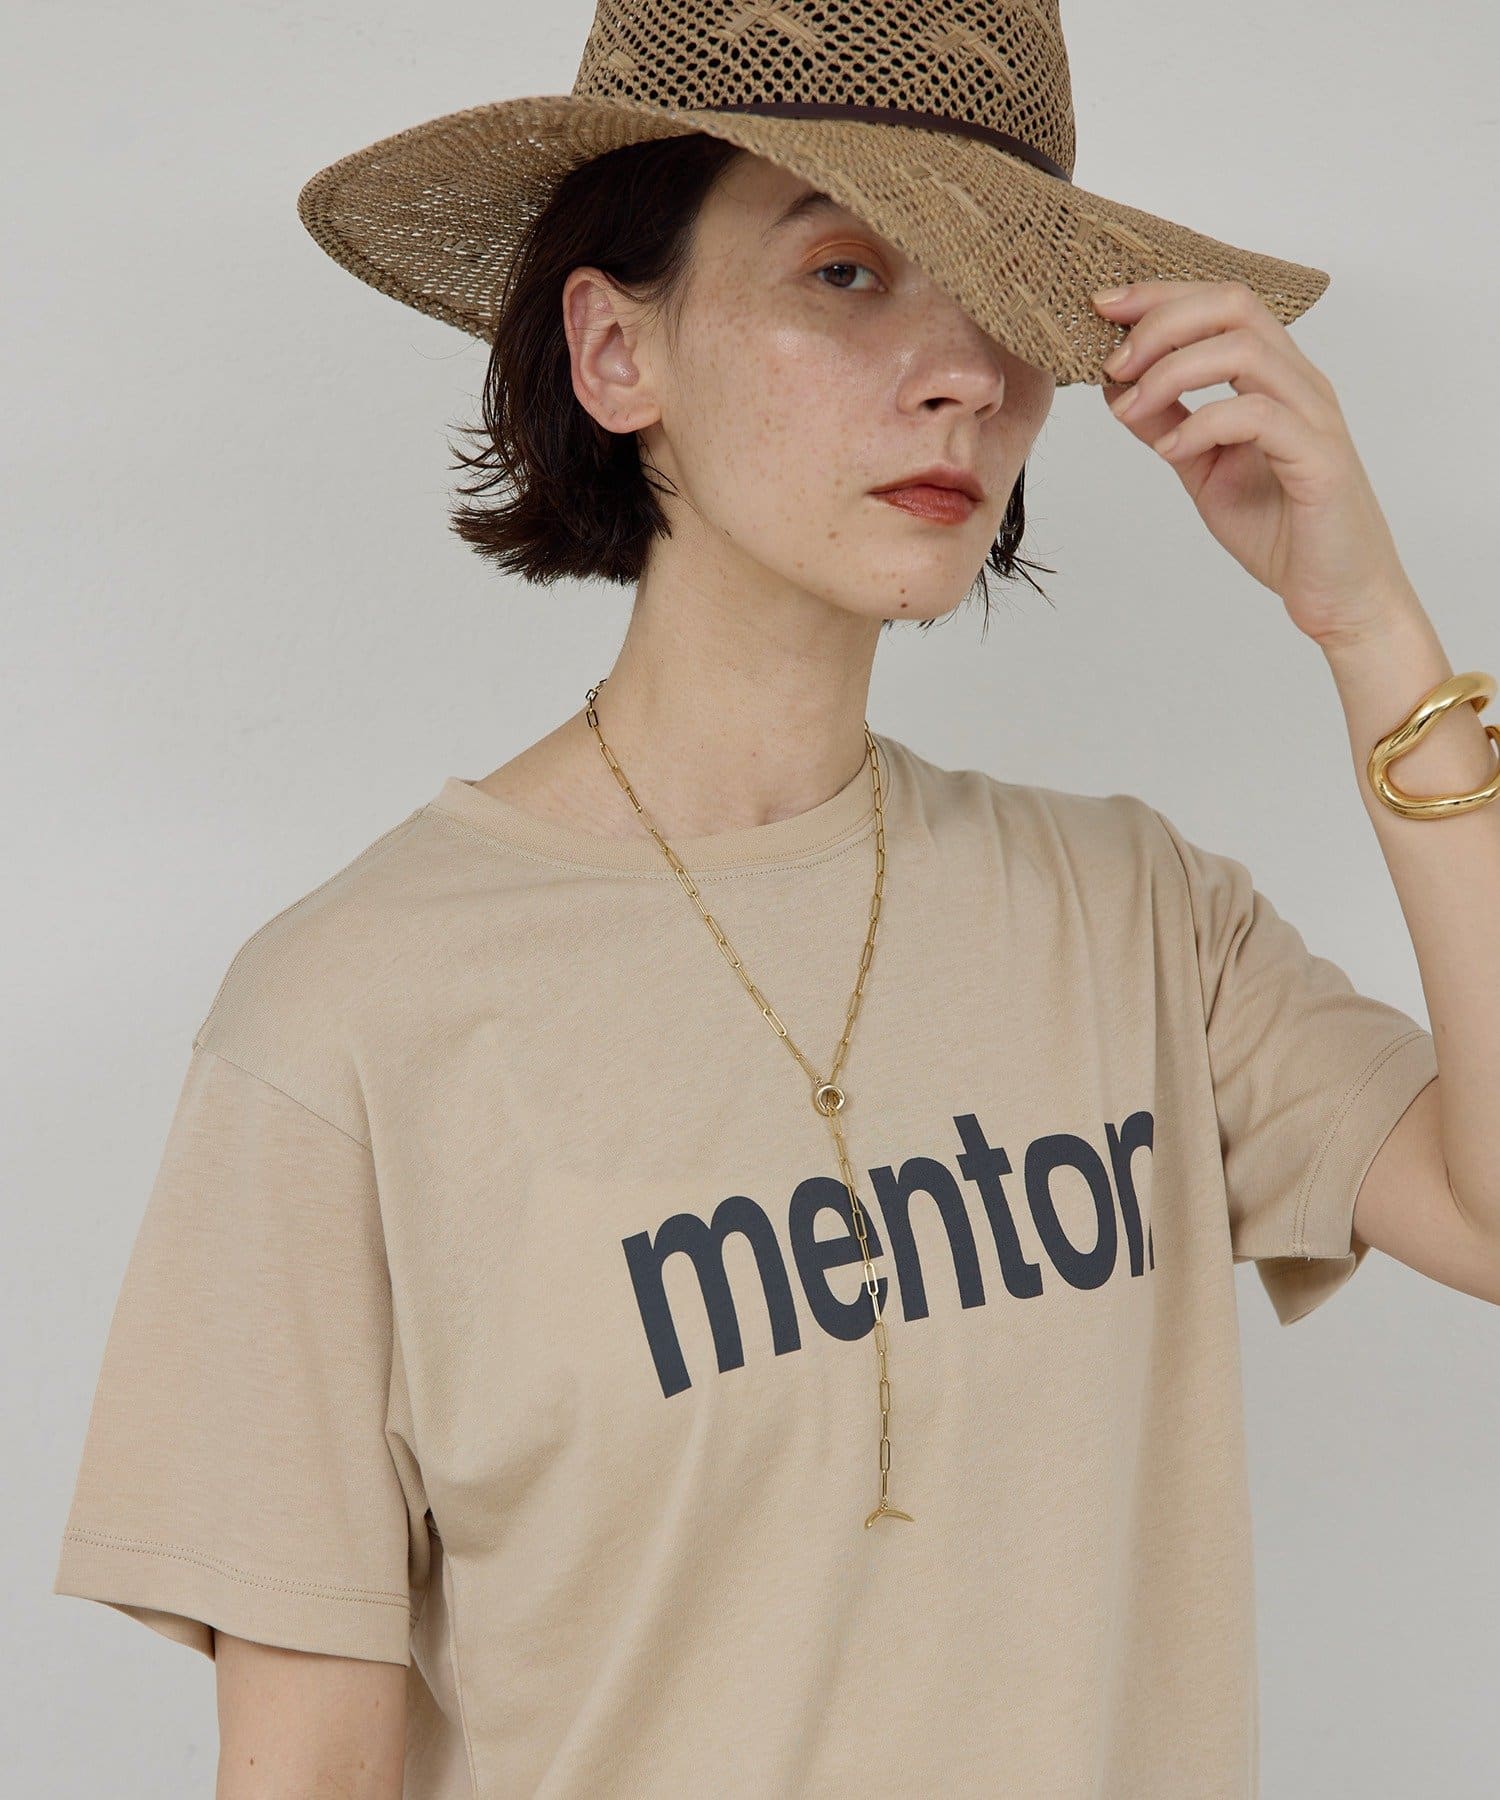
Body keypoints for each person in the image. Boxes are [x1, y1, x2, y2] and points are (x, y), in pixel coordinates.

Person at [53, 4, 1499, 1796]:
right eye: (845, 271)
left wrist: (1373, 628)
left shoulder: (1136, 920)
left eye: (1008, 297)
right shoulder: (341, 1024)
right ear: (615, 348)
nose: (961, 373)